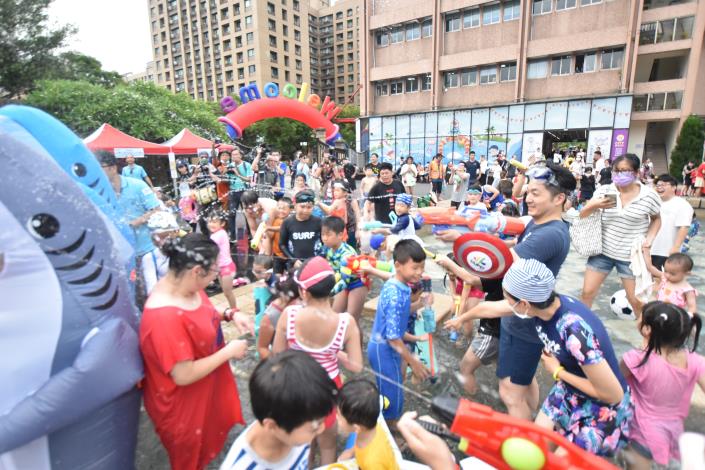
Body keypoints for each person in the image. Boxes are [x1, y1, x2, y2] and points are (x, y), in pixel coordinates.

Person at [436, 163, 577, 420]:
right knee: (524, 381)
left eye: (537, 193)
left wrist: (462, 242)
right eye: (528, 191)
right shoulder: (538, 224)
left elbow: (496, 266)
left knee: (510, 391)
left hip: (522, 319)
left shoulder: (549, 234)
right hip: (520, 314)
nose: (528, 197)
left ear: (559, 198)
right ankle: (538, 422)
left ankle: (525, 446)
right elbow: (507, 247)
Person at [140, 234, 253, 470]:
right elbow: (183, 375)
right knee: (189, 460)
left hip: (205, 388)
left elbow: (204, 308)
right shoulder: (164, 317)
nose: (216, 276)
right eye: (213, 272)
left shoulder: (185, 287)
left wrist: (231, 314)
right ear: (196, 271)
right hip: (183, 407)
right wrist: (229, 352)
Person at [502, 259, 632, 456]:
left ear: (524, 304)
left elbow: (613, 395)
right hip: (569, 391)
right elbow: (496, 308)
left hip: (603, 408)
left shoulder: (574, 331)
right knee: (535, 448)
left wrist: (557, 371)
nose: (507, 303)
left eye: (508, 299)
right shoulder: (546, 304)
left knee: (561, 463)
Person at [272, 257, 363, 465]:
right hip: (328, 389)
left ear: (304, 292)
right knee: (328, 445)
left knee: (300, 442)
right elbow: (356, 367)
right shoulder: (345, 323)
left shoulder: (290, 315)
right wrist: (335, 353)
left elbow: (277, 356)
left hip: (296, 385)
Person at [218, 350, 338, 470]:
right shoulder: (241, 466)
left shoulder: (290, 423)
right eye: (314, 427)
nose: (321, 429)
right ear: (272, 426)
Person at [621, 302, 704, 469]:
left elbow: (612, 384)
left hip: (641, 434)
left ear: (646, 330)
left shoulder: (635, 360)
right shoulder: (696, 361)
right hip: (673, 433)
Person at [580, 154, 661, 319]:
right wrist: (594, 204)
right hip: (602, 251)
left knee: (636, 301)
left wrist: (649, 240)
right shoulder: (605, 190)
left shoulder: (649, 195)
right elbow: (582, 214)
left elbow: (656, 219)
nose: (620, 174)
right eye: (616, 171)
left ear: (637, 172)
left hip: (630, 256)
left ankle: (648, 339)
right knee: (587, 293)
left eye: (625, 171)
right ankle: (580, 330)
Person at [368, 240, 430, 423]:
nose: (420, 272)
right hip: (384, 350)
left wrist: (419, 304)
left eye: (422, 267)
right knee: (390, 400)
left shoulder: (399, 286)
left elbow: (402, 313)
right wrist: (414, 363)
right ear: (397, 265)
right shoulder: (395, 294)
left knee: (394, 388)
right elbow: (393, 337)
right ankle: (390, 432)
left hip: (389, 348)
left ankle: (388, 424)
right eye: (415, 268)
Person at [97, 150, 161, 304]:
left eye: (100, 167)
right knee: (131, 298)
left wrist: (137, 221)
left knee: (152, 294)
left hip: (145, 250)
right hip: (121, 255)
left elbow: (156, 210)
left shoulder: (137, 185)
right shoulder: (99, 192)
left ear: (112, 168)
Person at [336, 379, 400, 470]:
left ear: (356, 428)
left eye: (339, 415)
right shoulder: (371, 427)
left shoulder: (373, 462)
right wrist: (350, 451)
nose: (336, 417)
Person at [320, 216, 368, 321]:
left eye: (328, 235)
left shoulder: (347, 254)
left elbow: (345, 280)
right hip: (341, 281)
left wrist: (328, 293)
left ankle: (355, 337)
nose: (324, 238)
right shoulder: (327, 249)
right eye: (323, 234)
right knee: (335, 317)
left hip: (357, 284)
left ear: (340, 235)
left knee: (351, 320)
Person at [650, 174, 694, 271]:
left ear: (674, 187)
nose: (659, 187)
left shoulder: (682, 205)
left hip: (665, 251)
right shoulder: (652, 202)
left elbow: (684, 227)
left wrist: (675, 248)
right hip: (647, 249)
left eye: (664, 185)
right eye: (657, 185)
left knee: (662, 280)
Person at [279, 190, 323, 266]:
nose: (305, 210)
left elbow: (324, 243)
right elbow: (282, 245)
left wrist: (320, 258)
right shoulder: (287, 222)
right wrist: (293, 260)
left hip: (315, 264)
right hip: (296, 264)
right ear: (295, 205)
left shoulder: (318, 222)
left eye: (309, 207)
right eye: (302, 207)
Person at [208, 211, 239, 310]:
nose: (211, 224)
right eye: (210, 222)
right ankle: (233, 308)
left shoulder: (217, 235)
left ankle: (234, 310)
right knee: (227, 293)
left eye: (214, 222)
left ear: (222, 224)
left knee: (228, 292)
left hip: (226, 267)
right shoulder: (220, 232)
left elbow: (213, 253)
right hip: (223, 267)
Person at [143, 211, 180, 294]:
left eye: (168, 236)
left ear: (175, 233)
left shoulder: (183, 249)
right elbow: (151, 289)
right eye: (161, 237)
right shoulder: (150, 258)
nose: (165, 240)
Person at [228, 148, 253, 238]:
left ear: (240, 155)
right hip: (233, 192)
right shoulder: (229, 165)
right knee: (231, 213)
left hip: (244, 191)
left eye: (235, 154)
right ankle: (232, 235)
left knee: (247, 213)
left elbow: (249, 179)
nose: (233, 157)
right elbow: (227, 178)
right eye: (232, 155)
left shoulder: (247, 165)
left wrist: (237, 173)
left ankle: (250, 233)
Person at [264, 197, 293, 274]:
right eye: (279, 208)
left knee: (290, 275)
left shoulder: (291, 220)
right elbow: (270, 236)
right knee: (277, 276)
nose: (281, 211)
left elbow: (282, 228)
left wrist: (269, 227)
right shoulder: (275, 220)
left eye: (284, 209)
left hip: (288, 254)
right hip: (277, 254)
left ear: (290, 210)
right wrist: (266, 223)